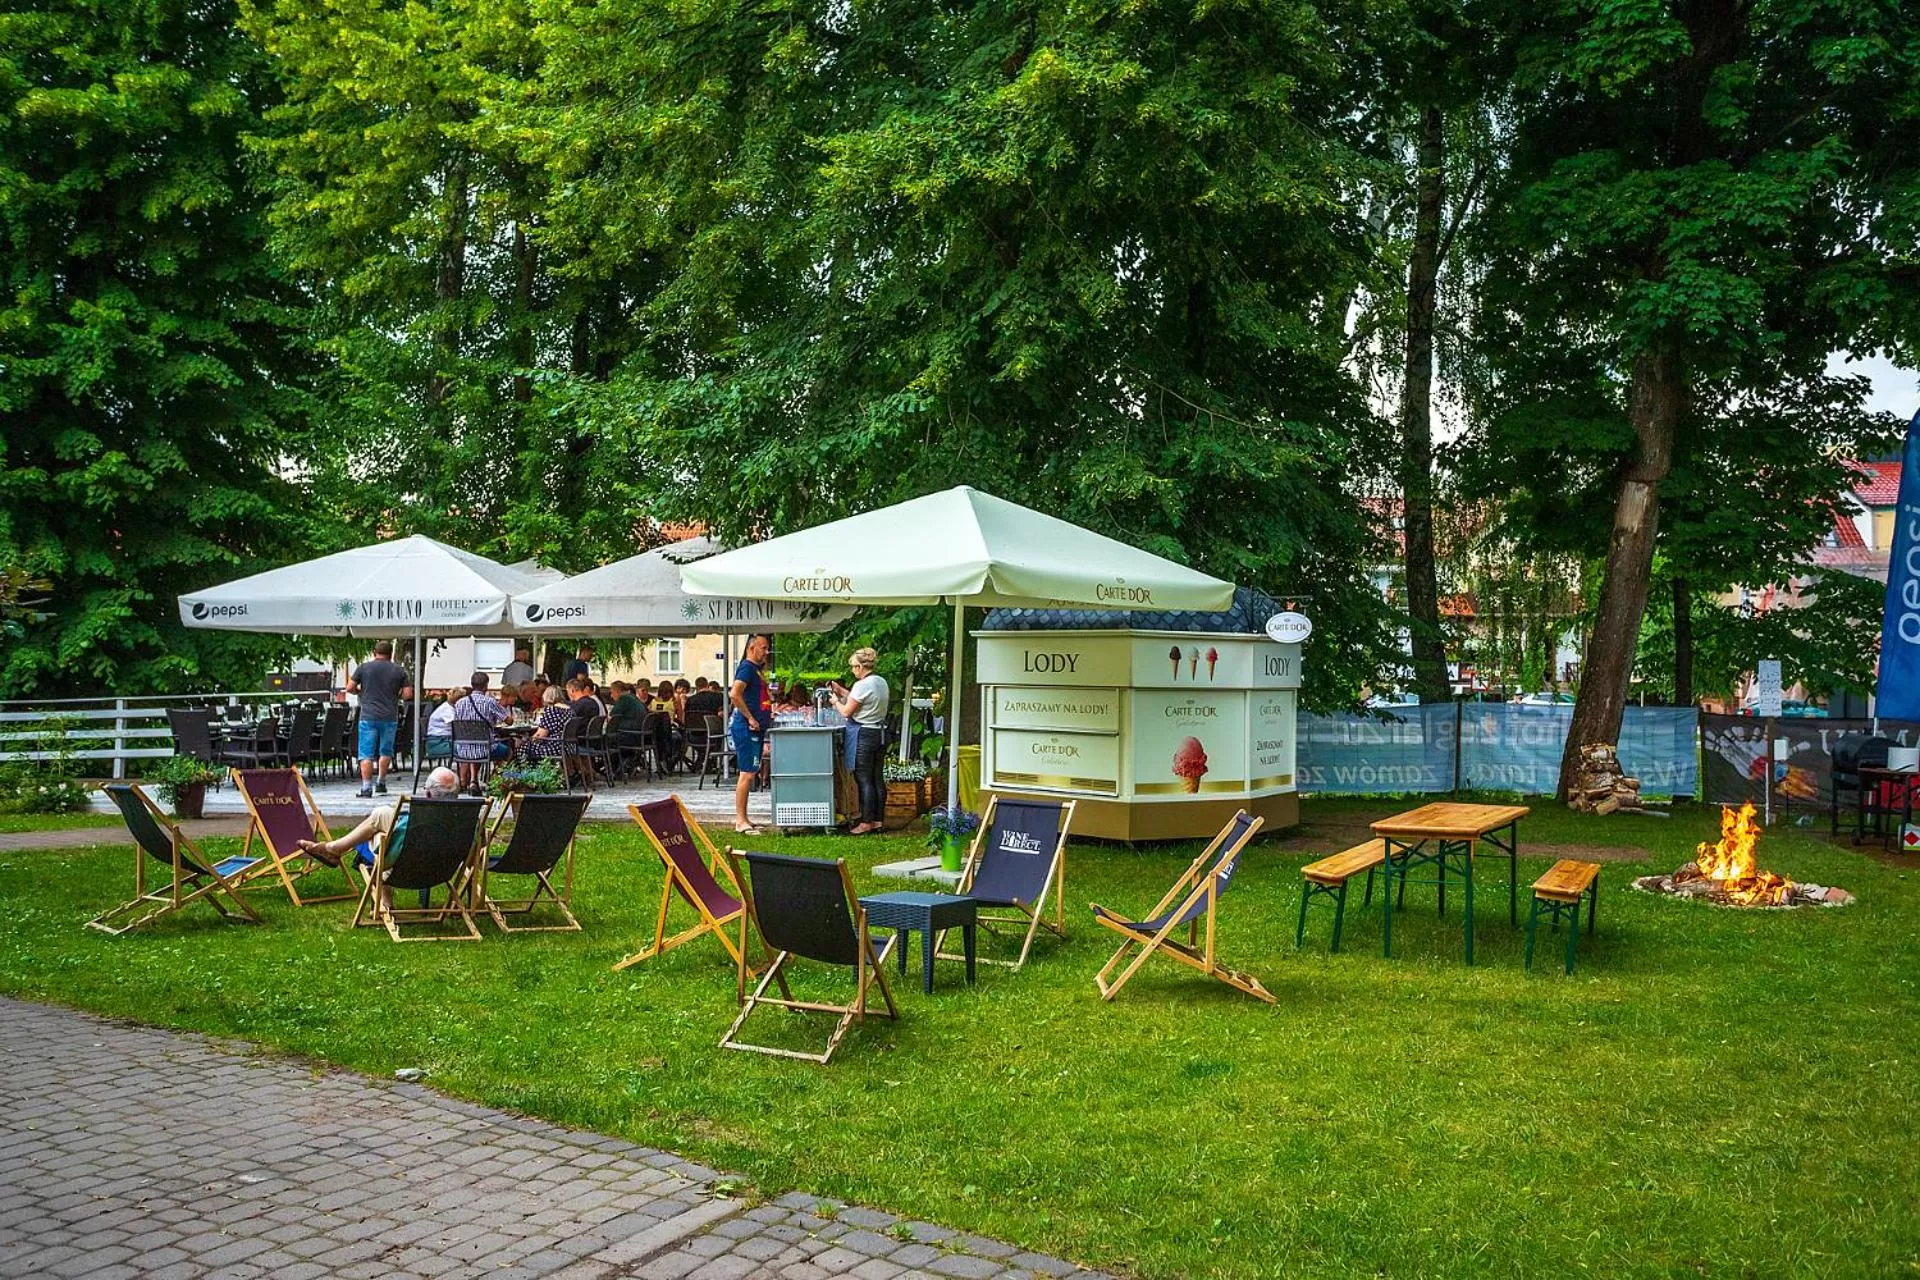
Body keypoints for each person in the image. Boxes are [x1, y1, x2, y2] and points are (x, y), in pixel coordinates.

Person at [298, 767, 460, 914]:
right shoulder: (465, 823)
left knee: (380, 822)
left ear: (428, 794)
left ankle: (334, 849)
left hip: (403, 870)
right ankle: (385, 901)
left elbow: (390, 854)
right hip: (442, 872)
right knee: (382, 830)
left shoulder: (417, 824)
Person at [830, 647, 891, 834]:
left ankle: (865, 822)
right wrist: (842, 691)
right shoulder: (880, 682)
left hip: (863, 734)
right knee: (877, 779)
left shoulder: (862, 685)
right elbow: (861, 699)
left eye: (853, 667)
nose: (852, 671)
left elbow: (847, 711)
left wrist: (835, 701)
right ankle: (878, 820)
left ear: (859, 667)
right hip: (879, 733)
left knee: (863, 779)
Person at [348, 640, 413, 798]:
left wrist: (361, 693)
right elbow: (407, 694)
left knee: (366, 753)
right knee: (385, 751)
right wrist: (395, 695)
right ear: (391, 654)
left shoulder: (363, 668)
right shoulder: (399, 671)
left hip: (368, 716)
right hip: (389, 716)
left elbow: (349, 687)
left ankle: (366, 787)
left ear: (374, 652)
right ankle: (381, 782)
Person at [730, 634, 771, 834]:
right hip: (747, 727)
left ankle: (745, 817)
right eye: (763, 648)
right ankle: (740, 820)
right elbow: (735, 694)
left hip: (756, 726)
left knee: (751, 770)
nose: (766, 652)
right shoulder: (746, 668)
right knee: (746, 772)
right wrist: (750, 718)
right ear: (751, 648)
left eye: (767, 648)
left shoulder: (755, 670)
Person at [451, 672, 508, 795]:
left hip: (462, 749)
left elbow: (457, 722)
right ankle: (497, 782)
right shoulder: (490, 702)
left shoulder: (459, 703)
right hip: (485, 748)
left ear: (472, 685)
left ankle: (473, 781)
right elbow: (508, 720)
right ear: (486, 686)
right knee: (508, 751)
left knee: (474, 747)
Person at [528, 685, 571, 761]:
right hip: (569, 747)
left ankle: (526, 771)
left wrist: (528, 740)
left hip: (554, 747)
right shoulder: (570, 710)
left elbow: (540, 735)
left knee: (522, 748)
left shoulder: (552, 710)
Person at [425, 691, 456, 761]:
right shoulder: (447, 710)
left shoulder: (447, 707)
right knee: (466, 749)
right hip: (438, 744)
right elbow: (456, 725)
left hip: (443, 741)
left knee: (467, 748)